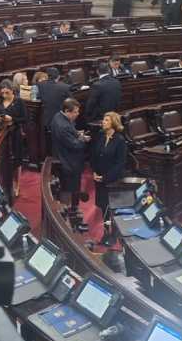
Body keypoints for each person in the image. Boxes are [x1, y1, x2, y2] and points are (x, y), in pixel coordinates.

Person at [91, 111, 127, 243]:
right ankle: (107, 233)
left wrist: (105, 177)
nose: (103, 122)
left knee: (111, 209)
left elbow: (120, 164)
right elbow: (94, 155)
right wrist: (94, 172)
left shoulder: (120, 141)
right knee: (103, 207)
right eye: (103, 120)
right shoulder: (101, 135)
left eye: (106, 120)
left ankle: (114, 233)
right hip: (99, 179)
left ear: (113, 123)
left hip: (112, 181)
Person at [51, 98, 90, 214]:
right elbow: (76, 146)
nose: (78, 114)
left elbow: (70, 132)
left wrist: (77, 134)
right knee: (70, 189)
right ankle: (70, 211)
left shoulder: (58, 116)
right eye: (75, 112)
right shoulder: (63, 127)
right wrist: (83, 139)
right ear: (67, 111)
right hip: (68, 162)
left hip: (63, 157)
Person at [0, 79, 28, 193]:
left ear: (12, 91)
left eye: (7, 93)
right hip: (1, 135)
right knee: (1, 160)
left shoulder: (19, 102)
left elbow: (25, 118)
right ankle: (3, 183)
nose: (4, 95)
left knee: (16, 160)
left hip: (15, 134)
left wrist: (12, 119)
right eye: (3, 93)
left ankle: (16, 185)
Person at [37, 67, 71, 133]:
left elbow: (38, 97)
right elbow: (71, 102)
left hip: (46, 120)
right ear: (58, 76)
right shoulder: (65, 87)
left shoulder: (39, 85)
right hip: (61, 121)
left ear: (47, 76)